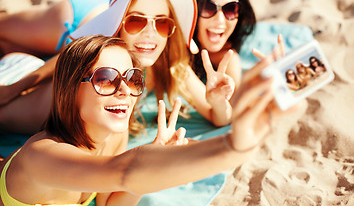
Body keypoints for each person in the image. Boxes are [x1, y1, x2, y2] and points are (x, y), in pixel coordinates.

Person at [0, 34, 281, 206]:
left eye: (133, 79)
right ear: (70, 89)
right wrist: (234, 145)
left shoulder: (112, 134)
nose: (124, 91)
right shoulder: (42, 155)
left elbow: (113, 198)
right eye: (106, 79)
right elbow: (125, 171)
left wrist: (154, 163)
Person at [0, 0, 234, 134]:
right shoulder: (97, 52)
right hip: (73, 18)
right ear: (116, 23)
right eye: (136, 21)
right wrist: (14, 88)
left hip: (116, 4)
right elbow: (67, 57)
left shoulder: (169, 63)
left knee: (9, 46)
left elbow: (220, 117)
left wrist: (218, 101)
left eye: (162, 23)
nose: (151, 34)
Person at [185, 0, 256, 88]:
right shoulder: (169, 49)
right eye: (208, 7)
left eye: (230, 9)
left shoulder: (229, 57)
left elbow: (233, 104)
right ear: (191, 8)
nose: (220, 20)